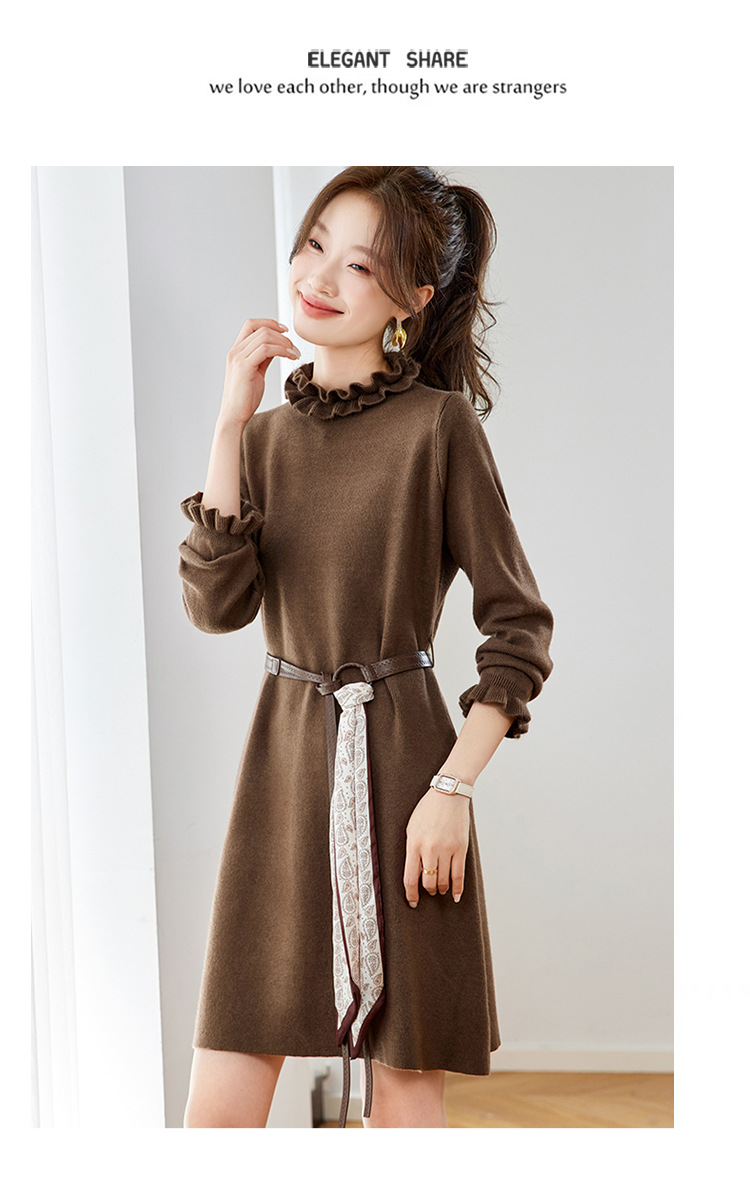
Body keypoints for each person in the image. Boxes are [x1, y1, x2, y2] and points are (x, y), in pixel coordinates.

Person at [177, 166, 554, 1129]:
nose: (321, 276)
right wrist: (229, 419)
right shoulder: (262, 439)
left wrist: (452, 789)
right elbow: (216, 606)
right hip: (281, 777)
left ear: (410, 301)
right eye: (316, 244)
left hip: (406, 774)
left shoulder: (440, 428)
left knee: (405, 1093)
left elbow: (517, 627)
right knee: (220, 1097)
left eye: (360, 264)